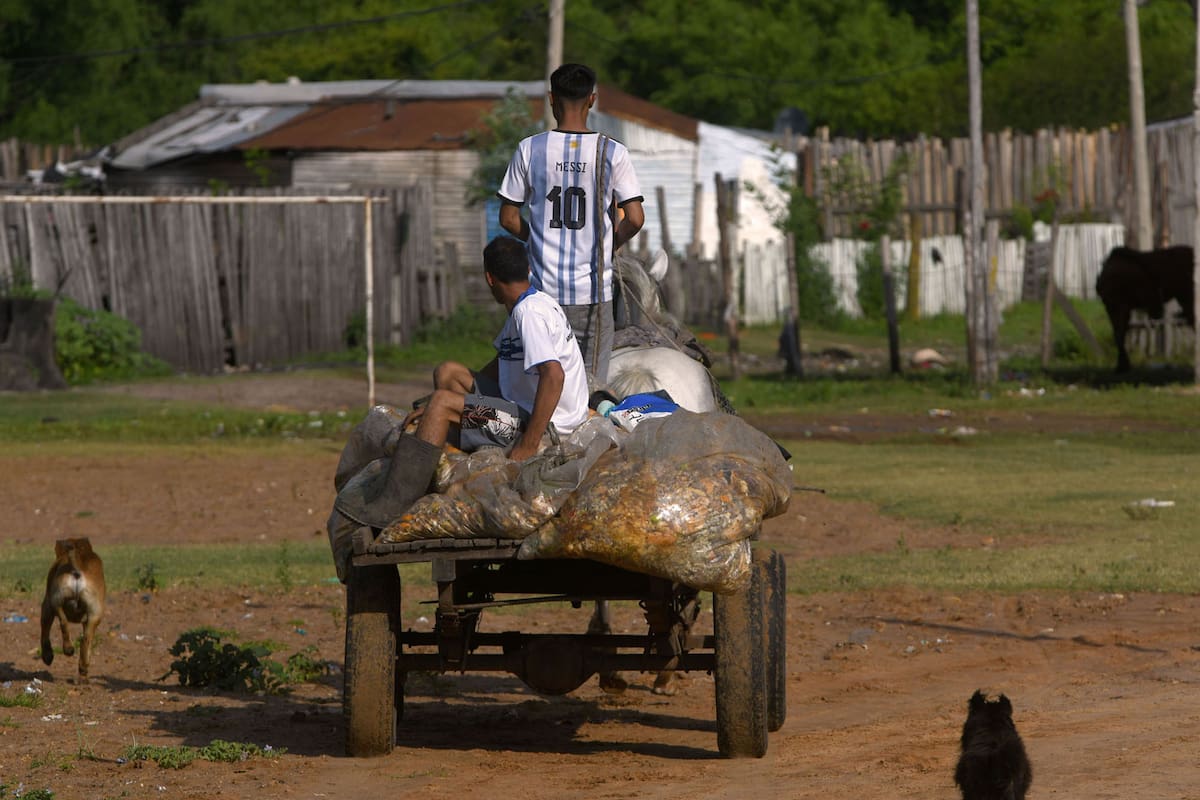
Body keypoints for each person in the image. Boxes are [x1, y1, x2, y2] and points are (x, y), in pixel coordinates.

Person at [497, 62, 645, 385]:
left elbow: (508, 218)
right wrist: (610, 244)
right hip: (592, 295)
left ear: (551, 98)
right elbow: (635, 218)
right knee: (589, 388)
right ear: (592, 99)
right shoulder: (613, 152)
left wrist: (535, 238)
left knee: (538, 385)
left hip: (540, 293)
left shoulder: (529, 149)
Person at [404, 235, 589, 463]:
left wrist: (529, 444)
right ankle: (455, 429)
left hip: (543, 426)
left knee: (442, 402)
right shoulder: (534, 302)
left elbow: (554, 375)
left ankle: (413, 478)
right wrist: (450, 403)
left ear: (489, 278)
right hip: (520, 407)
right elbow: (502, 361)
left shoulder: (528, 314)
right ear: (528, 270)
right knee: (448, 372)